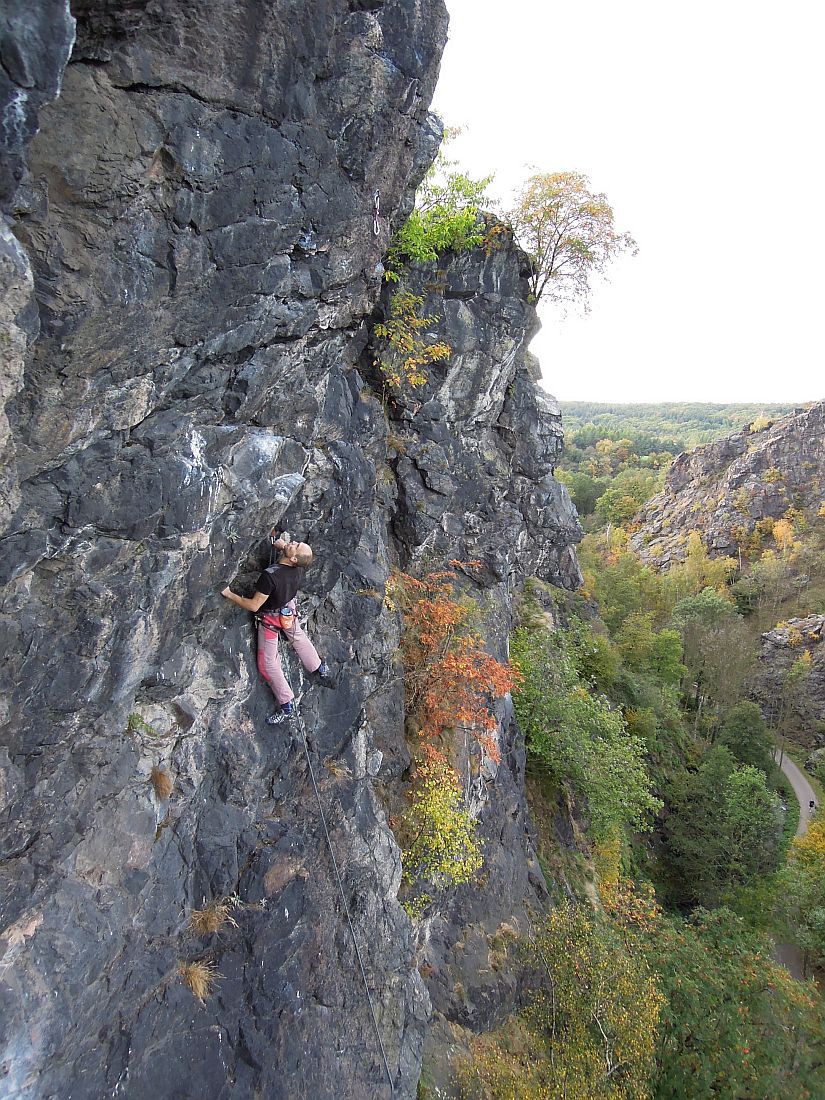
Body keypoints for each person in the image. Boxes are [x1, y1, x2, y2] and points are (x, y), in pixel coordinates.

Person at [222, 532, 331, 725]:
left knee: (268, 664)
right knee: (298, 637)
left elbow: (254, 605)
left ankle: (287, 703)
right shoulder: (297, 568)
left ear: (294, 557)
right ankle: (319, 668)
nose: (294, 542)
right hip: (288, 609)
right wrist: (282, 546)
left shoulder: (270, 577)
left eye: (296, 545)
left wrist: (230, 594)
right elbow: (291, 558)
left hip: (271, 619)